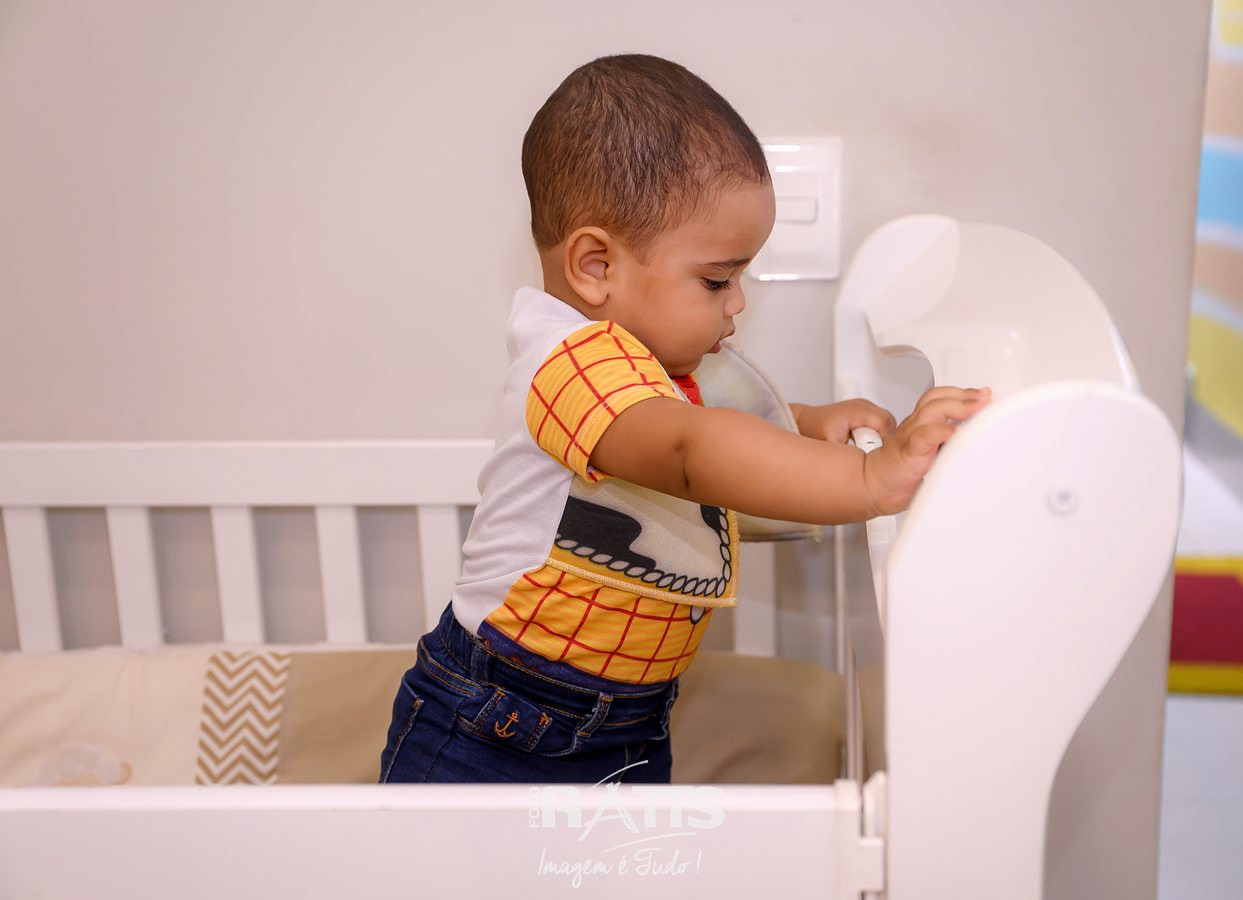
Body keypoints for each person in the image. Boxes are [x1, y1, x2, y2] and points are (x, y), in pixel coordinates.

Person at [378, 53, 989, 785]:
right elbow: (689, 451)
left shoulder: (643, 372)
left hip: (626, 720)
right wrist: (867, 477)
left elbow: (700, 425)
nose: (738, 302)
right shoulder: (568, 363)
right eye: (716, 279)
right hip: (500, 721)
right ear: (596, 266)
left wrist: (801, 426)